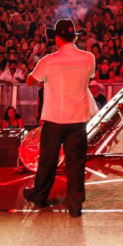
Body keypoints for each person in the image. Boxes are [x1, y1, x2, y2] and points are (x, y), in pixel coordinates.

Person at [23, 19, 98, 218]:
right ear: (74, 37)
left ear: (56, 38)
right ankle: (75, 205)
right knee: (76, 162)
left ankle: (39, 197)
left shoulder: (48, 60)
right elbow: (89, 76)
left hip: (55, 119)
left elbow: (31, 80)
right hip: (77, 119)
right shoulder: (88, 58)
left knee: (47, 160)